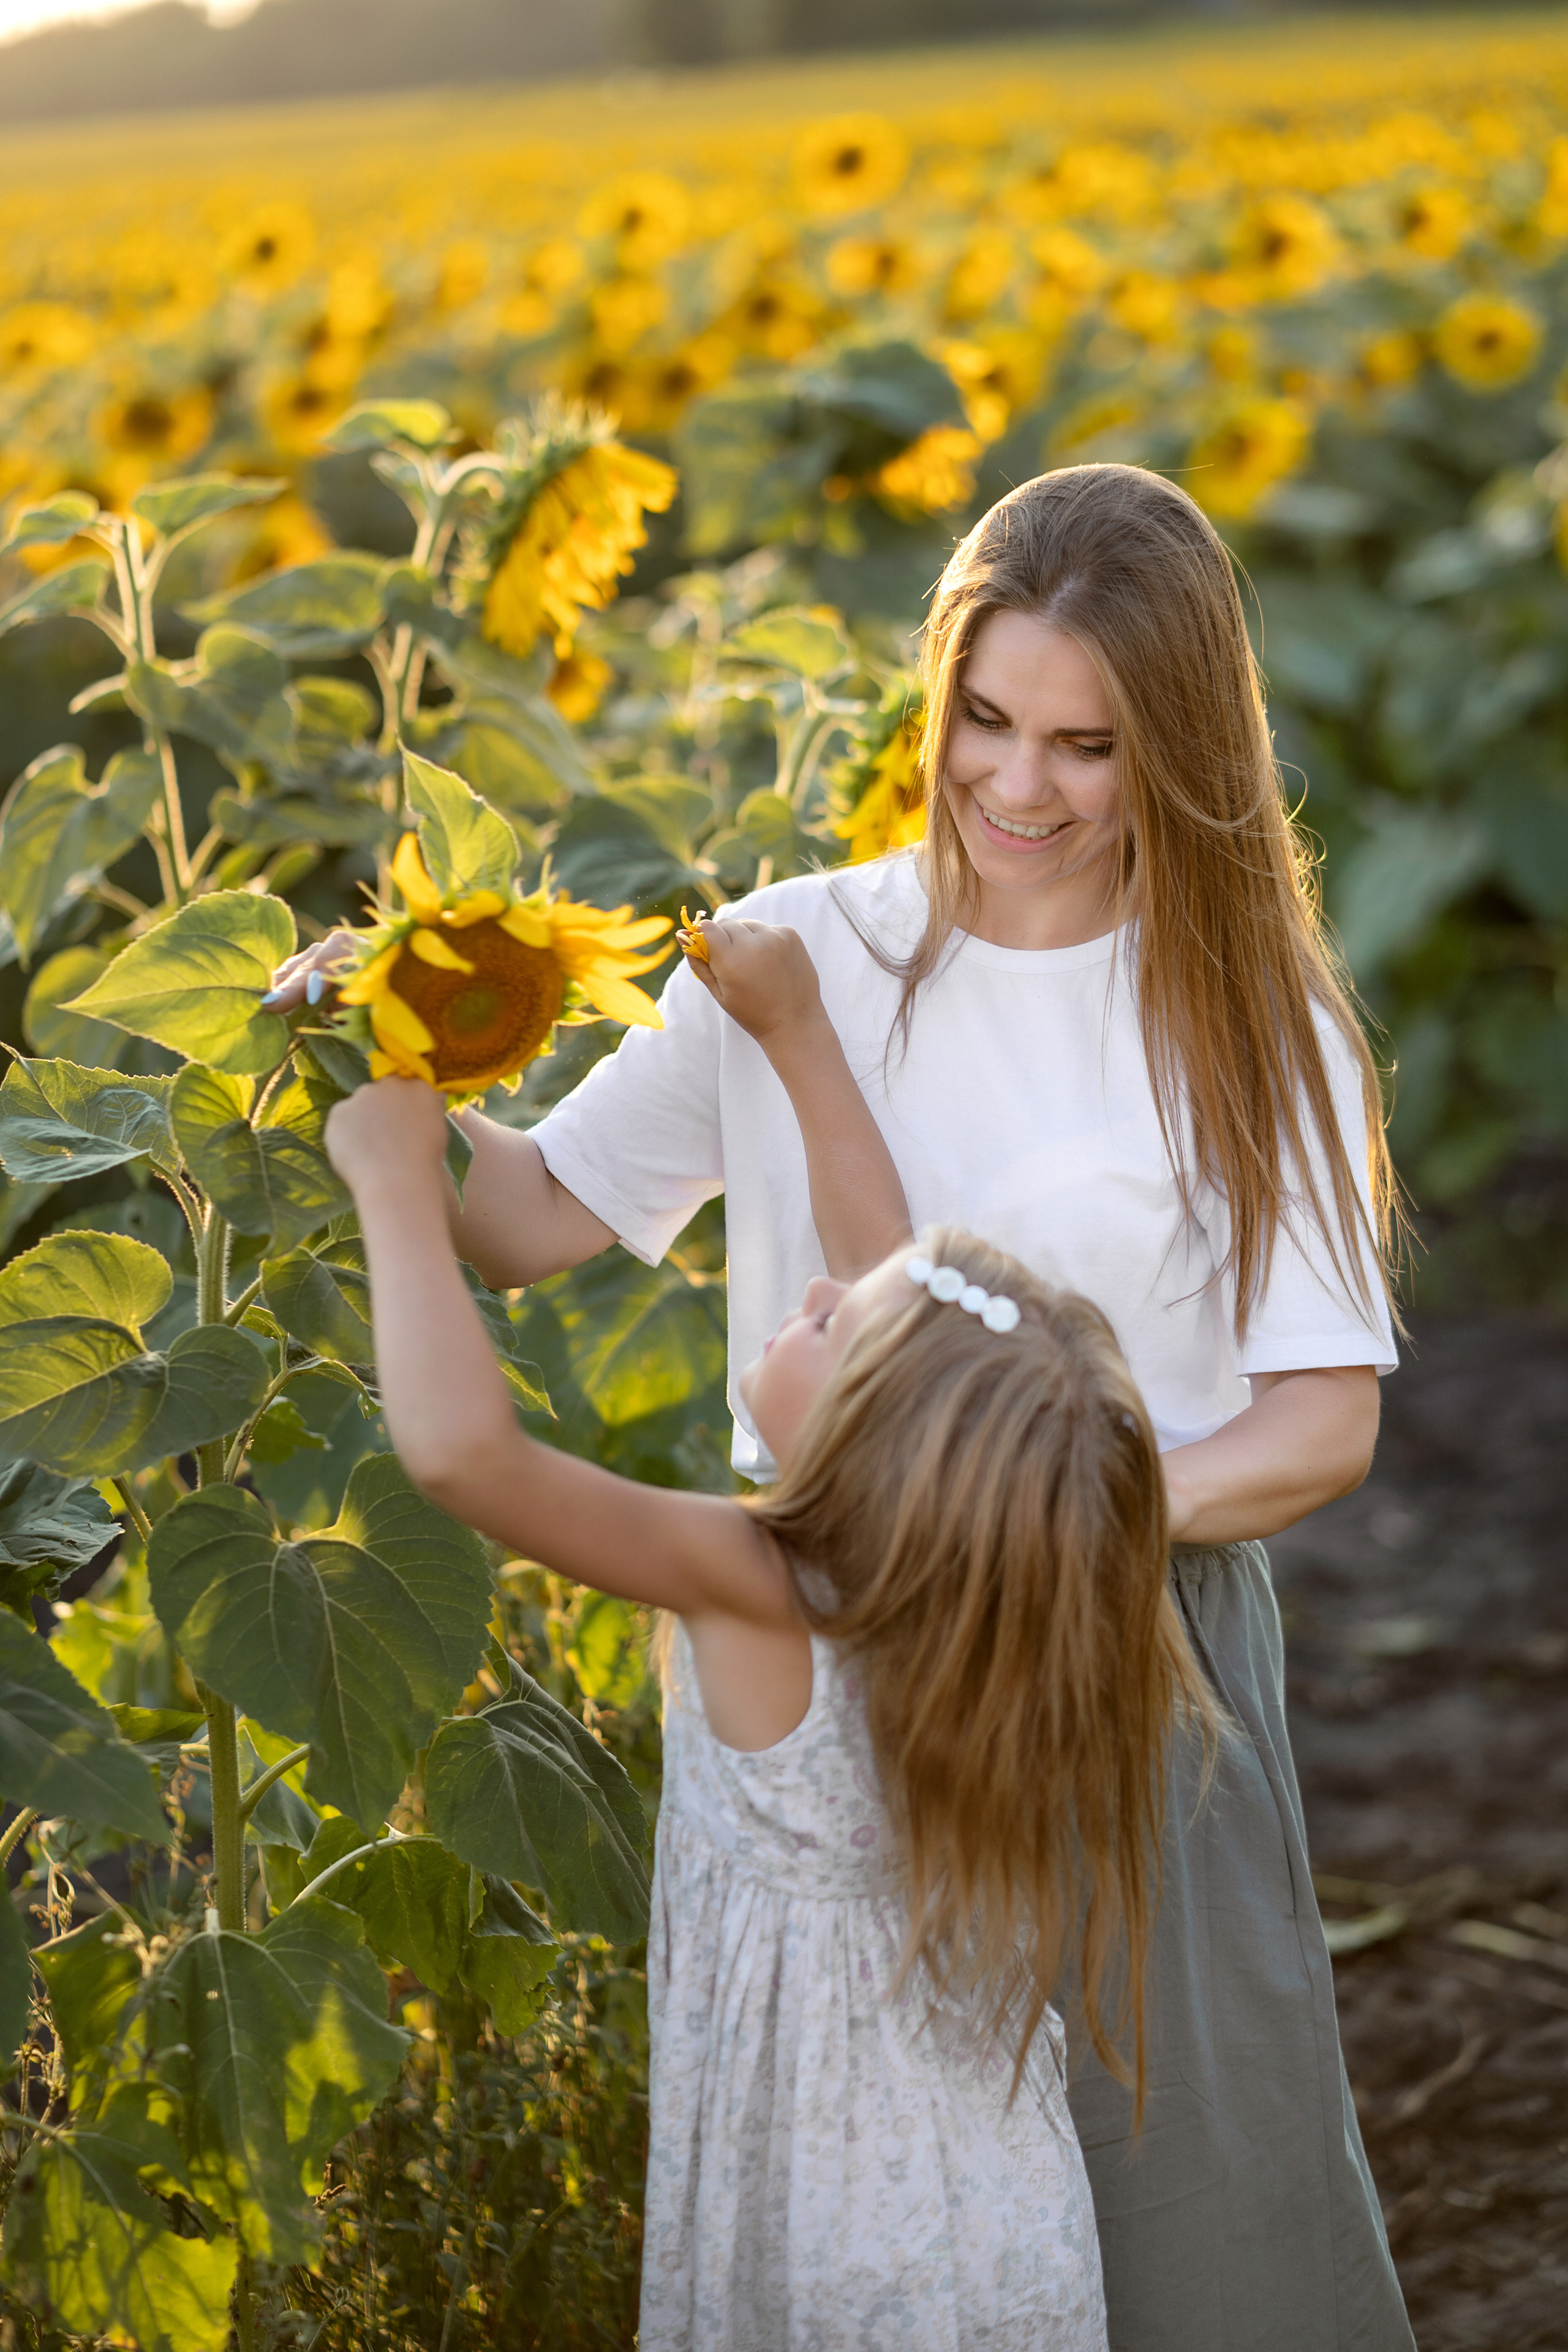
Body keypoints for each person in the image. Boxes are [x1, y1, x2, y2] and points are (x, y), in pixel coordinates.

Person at [269, 461, 1415, 2351]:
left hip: (1123, 1649)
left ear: (1186, 749)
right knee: (881, 2199)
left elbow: (1317, 1429)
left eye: (1088, 747)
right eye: (986, 719)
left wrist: (1010, 1524)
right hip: (820, 1667)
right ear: (938, 688)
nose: (1018, 786)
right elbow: (535, 1216)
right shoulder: (800, 949)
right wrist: (387, 1044)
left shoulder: (1246, 1014)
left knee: (1190, 2206)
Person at [323, 918, 1223, 2349]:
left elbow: (465, 1459)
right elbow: (893, 1287)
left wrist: (390, 1178)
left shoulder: (760, 1579)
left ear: (872, 1446)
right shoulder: (969, 1598)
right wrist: (796, 1033)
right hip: (993, 2216)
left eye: (828, 1327)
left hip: (830, 2243)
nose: (809, 1288)